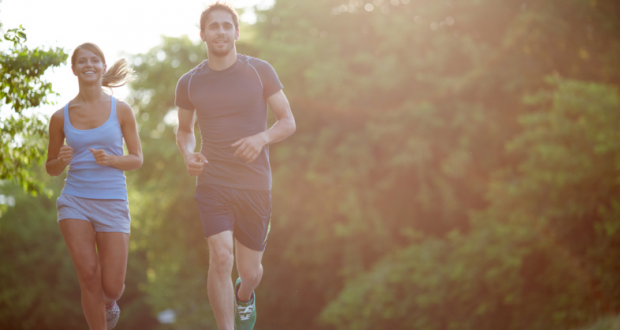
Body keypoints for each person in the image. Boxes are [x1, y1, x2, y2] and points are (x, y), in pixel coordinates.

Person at [174, 2, 296, 329]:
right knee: (221, 257)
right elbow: (185, 130)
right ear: (203, 34)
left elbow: (287, 121)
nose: (221, 32)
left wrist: (261, 139)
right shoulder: (189, 83)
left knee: (250, 272)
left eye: (227, 26)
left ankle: (245, 296)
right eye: (213, 26)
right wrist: (189, 155)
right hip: (213, 182)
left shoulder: (260, 71)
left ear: (237, 32)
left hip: (256, 185)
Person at [46, 42, 142, 330]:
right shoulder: (60, 117)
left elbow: (137, 159)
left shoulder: (121, 110)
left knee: (111, 287)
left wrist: (113, 160)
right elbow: (51, 167)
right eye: (82, 61)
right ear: (73, 69)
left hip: (112, 201)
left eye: (94, 60)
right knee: (88, 275)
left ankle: (109, 305)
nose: (89, 65)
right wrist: (60, 161)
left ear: (102, 66)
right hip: (75, 200)